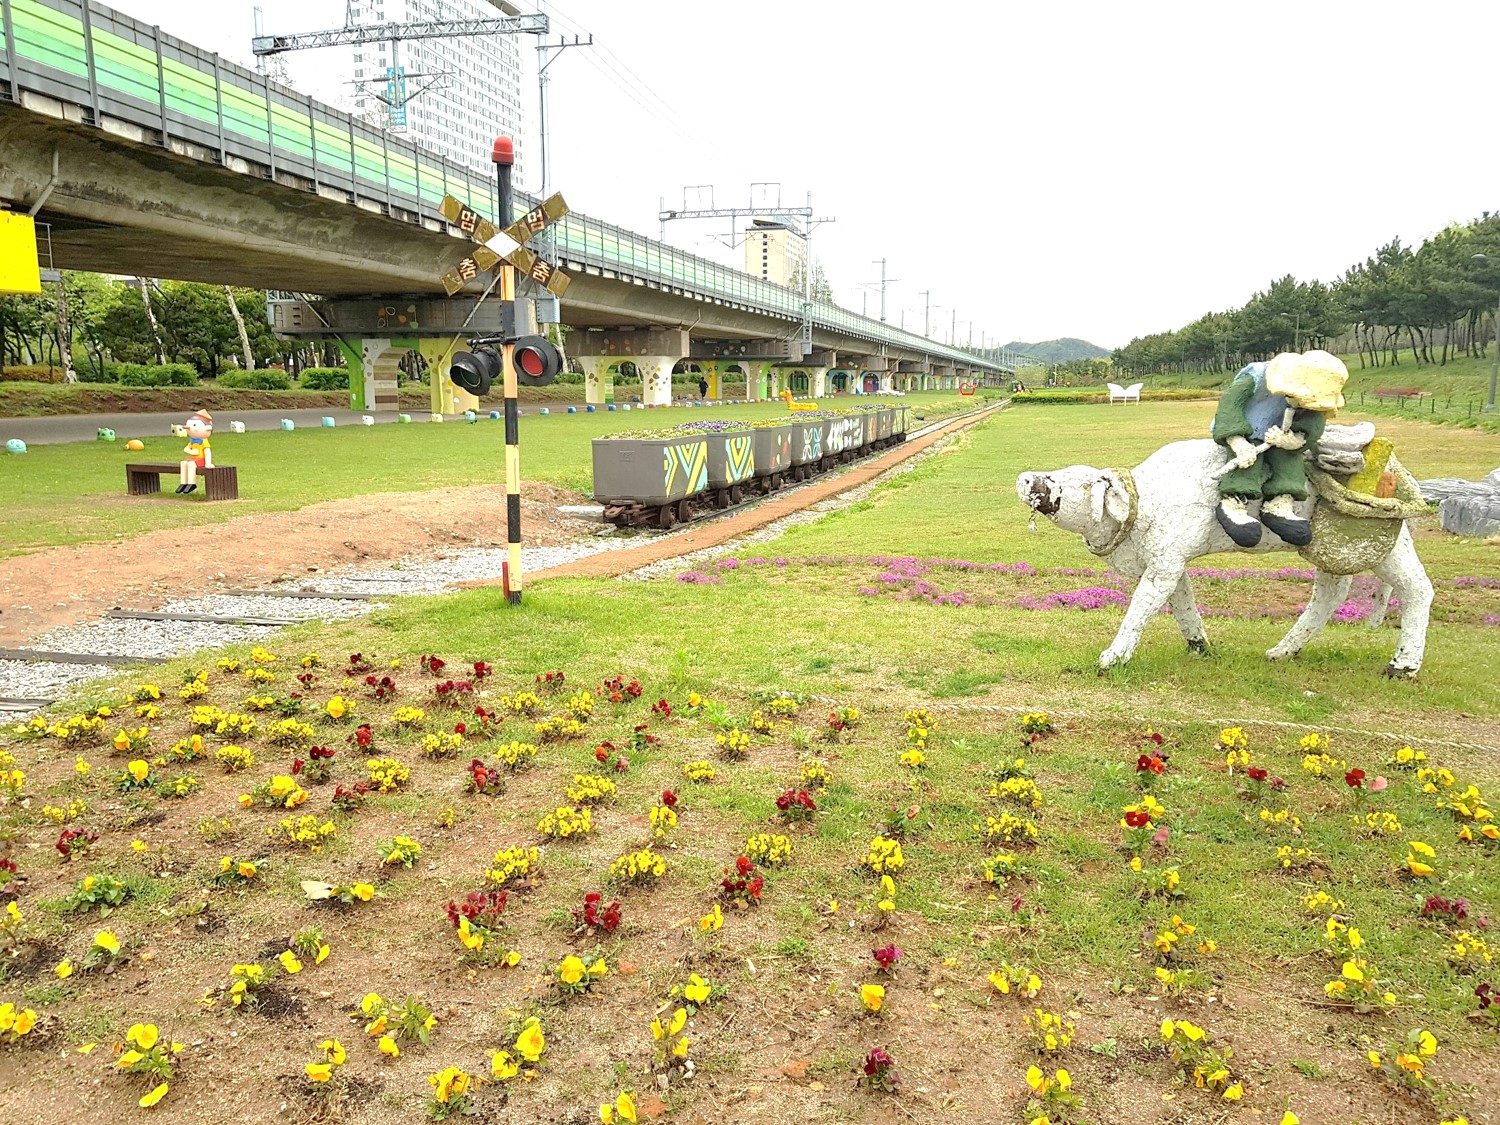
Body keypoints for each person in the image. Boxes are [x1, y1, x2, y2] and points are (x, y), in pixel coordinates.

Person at [1210, 350, 1347, 548]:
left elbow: (1314, 423)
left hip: (1280, 436)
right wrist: (1237, 441)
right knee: (1250, 461)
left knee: (1290, 460)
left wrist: (1295, 440)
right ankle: (1233, 503)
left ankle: (1280, 505)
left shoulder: (1314, 401)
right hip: (1247, 432)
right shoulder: (1255, 377)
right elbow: (1229, 407)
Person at [177, 409, 213, 494]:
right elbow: (186, 448)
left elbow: (207, 452)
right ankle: (184, 483)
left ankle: (192, 483)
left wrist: (208, 463)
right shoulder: (192, 441)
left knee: (190, 464)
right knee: (183, 463)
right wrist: (190, 451)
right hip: (194, 459)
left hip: (201, 460)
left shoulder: (203, 442)